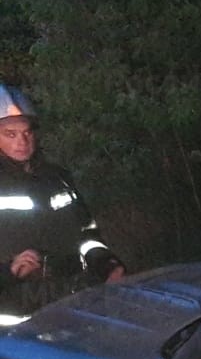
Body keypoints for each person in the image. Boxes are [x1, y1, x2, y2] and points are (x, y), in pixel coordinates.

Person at [0, 83, 124, 317]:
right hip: (14, 322)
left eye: (27, 132)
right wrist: (9, 270)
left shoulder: (58, 178)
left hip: (70, 303)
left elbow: (86, 233)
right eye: (11, 134)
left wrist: (104, 261)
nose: (22, 141)